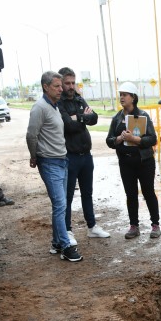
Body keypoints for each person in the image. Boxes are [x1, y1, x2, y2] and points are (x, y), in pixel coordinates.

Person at [26, 71, 82, 262]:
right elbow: (31, 135)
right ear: (45, 87)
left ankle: (57, 242)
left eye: (61, 86)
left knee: (60, 204)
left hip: (61, 160)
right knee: (60, 205)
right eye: (57, 86)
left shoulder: (54, 106)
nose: (61, 89)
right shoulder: (39, 108)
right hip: (49, 162)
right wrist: (34, 156)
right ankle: (66, 247)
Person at [57, 67, 110, 243]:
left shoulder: (80, 99)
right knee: (68, 196)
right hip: (70, 156)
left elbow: (94, 118)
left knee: (88, 193)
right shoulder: (59, 103)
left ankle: (92, 227)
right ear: (61, 84)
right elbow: (67, 125)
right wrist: (82, 118)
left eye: (73, 83)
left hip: (86, 156)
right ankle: (68, 231)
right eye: (67, 83)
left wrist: (77, 117)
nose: (71, 86)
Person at [106, 81, 161, 239]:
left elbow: (153, 139)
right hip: (126, 163)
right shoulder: (117, 118)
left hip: (144, 162)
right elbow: (109, 140)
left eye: (125, 95)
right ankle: (133, 226)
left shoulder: (143, 116)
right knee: (130, 194)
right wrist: (118, 139)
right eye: (120, 95)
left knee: (148, 192)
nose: (121, 98)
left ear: (133, 97)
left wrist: (134, 139)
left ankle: (155, 225)